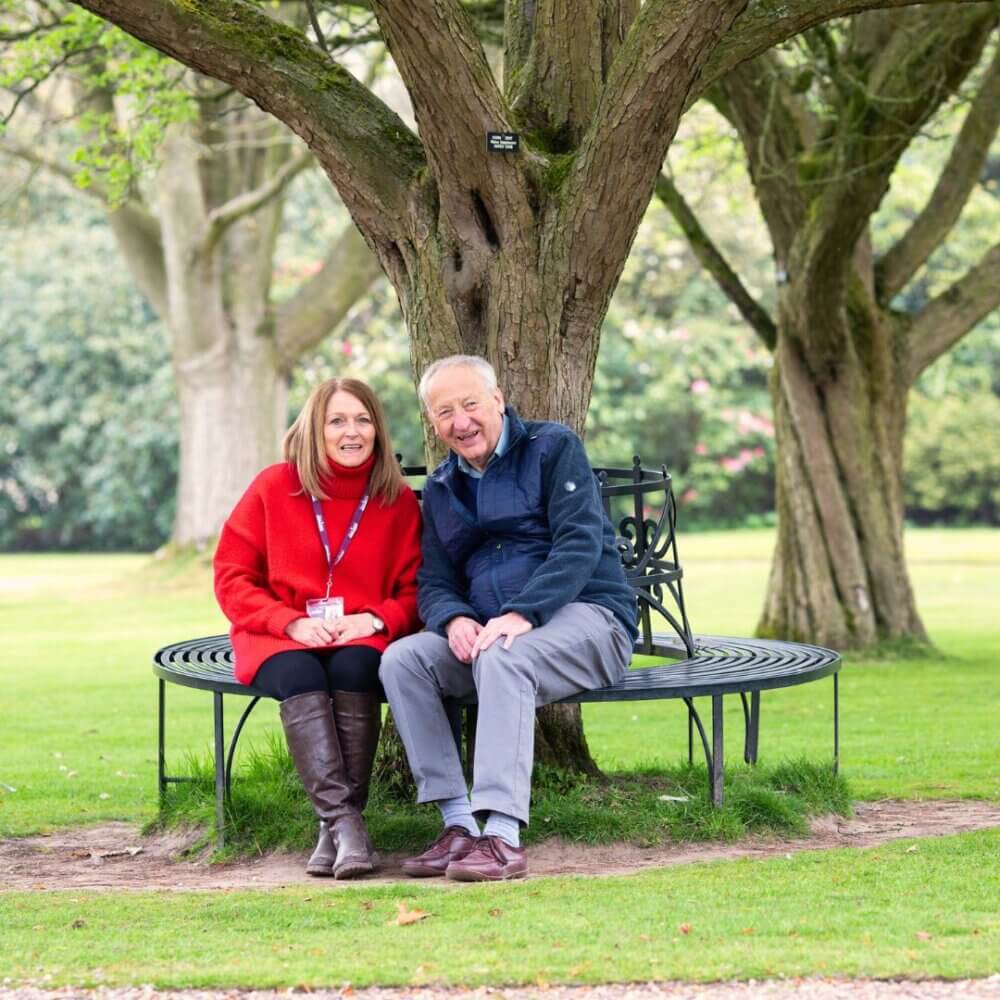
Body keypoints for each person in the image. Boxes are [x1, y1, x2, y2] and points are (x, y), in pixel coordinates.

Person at [379, 356, 637, 881]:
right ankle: (458, 827)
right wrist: (452, 620)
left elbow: (579, 542)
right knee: (404, 660)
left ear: (497, 399)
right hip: (494, 636)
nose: (461, 422)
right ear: (433, 421)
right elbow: (435, 580)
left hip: (588, 619)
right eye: (445, 411)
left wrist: (523, 612)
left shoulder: (552, 448)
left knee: (503, 656)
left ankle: (501, 835)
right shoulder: (444, 487)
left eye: (470, 404)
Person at [214, 377, 422, 879]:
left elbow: (418, 592)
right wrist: (290, 621)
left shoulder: (395, 501)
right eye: (337, 421)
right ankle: (346, 824)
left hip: (360, 632)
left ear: (378, 430)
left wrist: (372, 619)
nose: (352, 432)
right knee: (300, 674)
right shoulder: (273, 486)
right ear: (314, 428)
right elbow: (231, 576)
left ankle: (336, 835)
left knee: (357, 665)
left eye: (363, 420)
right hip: (278, 632)